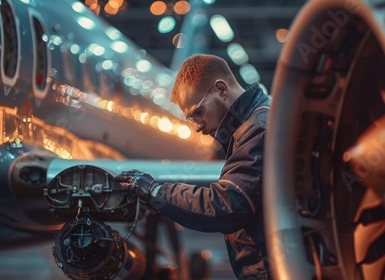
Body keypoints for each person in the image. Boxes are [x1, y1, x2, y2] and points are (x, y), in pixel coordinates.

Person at [115, 54, 272, 279]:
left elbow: (227, 206)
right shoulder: (248, 129)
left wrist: (155, 191)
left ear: (221, 89)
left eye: (198, 112)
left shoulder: (258, 130)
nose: (197, 127)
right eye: (191, 119)